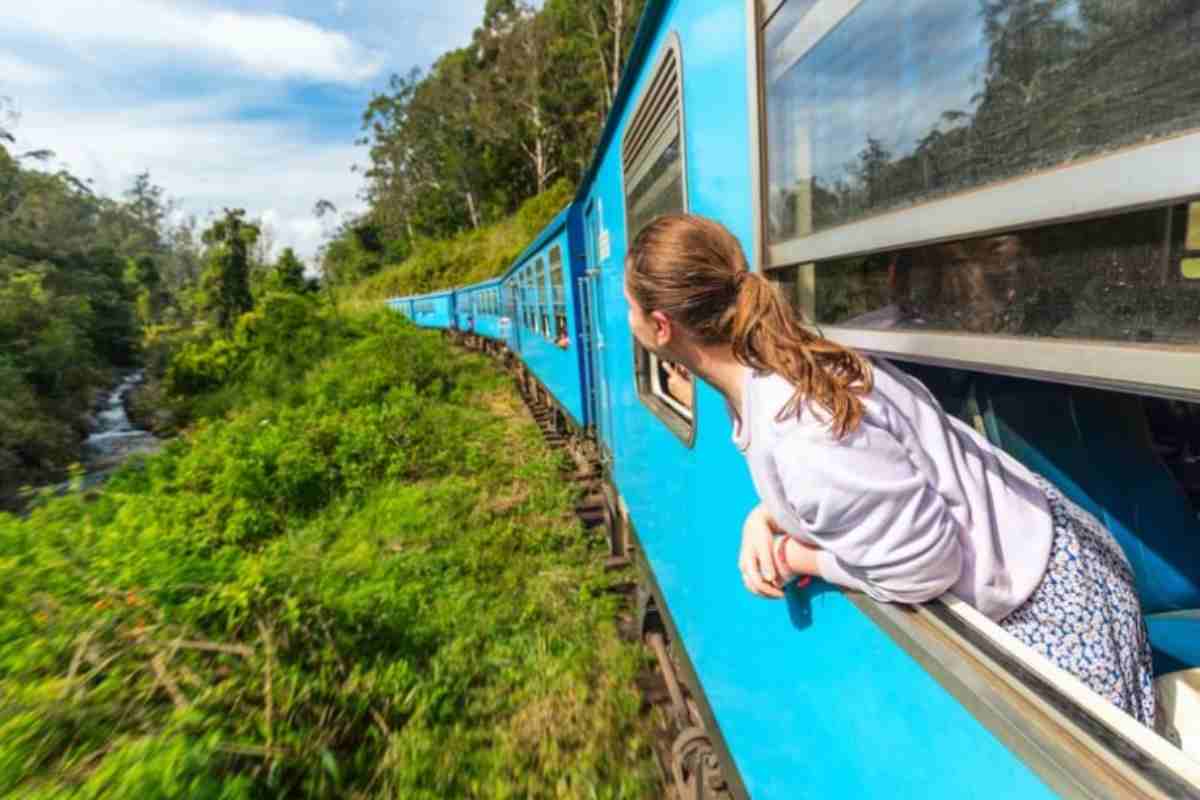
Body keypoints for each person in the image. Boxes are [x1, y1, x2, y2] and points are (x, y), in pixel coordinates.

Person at [623, 213, 1158, 731]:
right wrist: (766, 517)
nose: (627, 319)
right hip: (1046, 550)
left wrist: (794, 555)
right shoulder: (775, 367)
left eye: (630, 306)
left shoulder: (797, 430)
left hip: (1054, 608)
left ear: (661, 326)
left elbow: (923, 568)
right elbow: (866, 473)